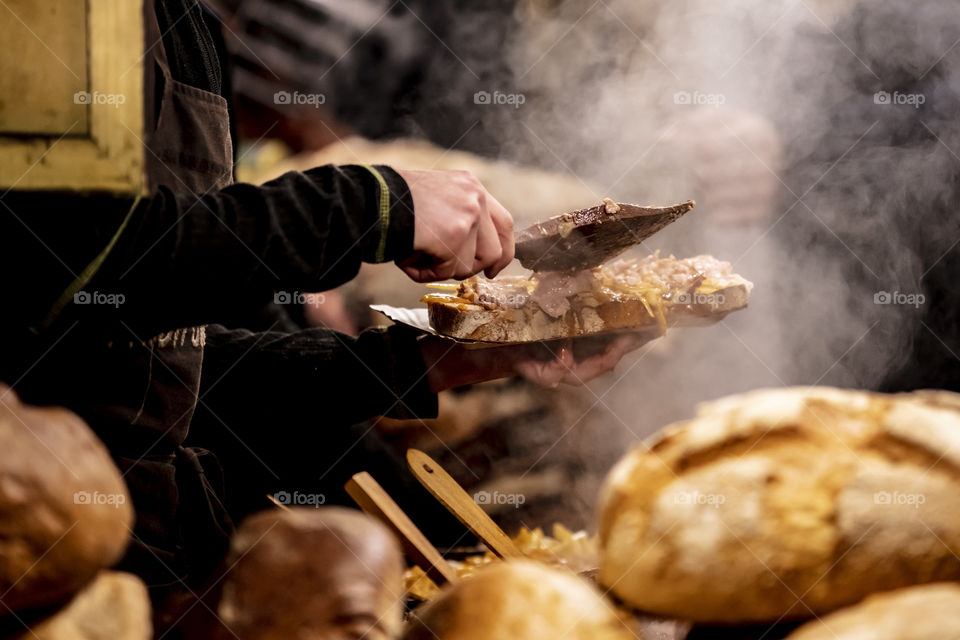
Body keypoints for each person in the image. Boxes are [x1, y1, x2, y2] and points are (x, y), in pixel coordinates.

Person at [0, 0, 647, 609]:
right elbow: (59, 268)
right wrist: (365, 205)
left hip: (152, 552)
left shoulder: (186, 22)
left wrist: (422, 365)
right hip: (48, 564)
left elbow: (171, 366)